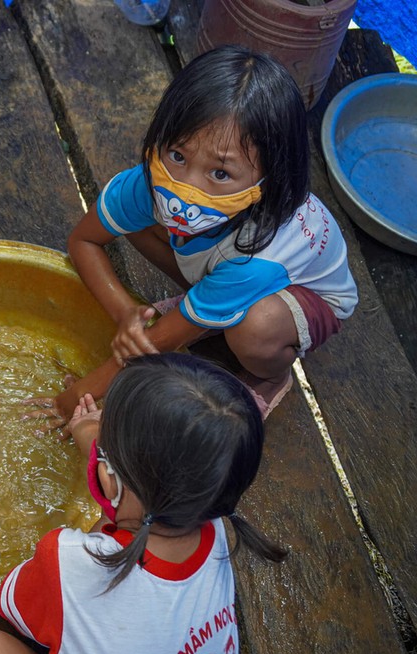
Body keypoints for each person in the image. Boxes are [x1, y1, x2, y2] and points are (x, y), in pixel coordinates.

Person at [45, 45, 357, 422]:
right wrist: (126, 312)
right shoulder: (149, 183)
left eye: (220, 174)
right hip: (225, 270)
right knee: (138, 223)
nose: (184, 189)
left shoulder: (259, 259)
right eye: (178, 155)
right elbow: (85, 240)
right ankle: (204, 308)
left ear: (267, 180)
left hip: (303, 295)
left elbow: (152, 348)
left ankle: (271, 378)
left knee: (253, 330)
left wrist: (69, 403)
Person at [0, 353, 286, 654]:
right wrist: (95, 444)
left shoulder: (68, 561)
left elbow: (16, 612)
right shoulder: (212, 523)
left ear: (107, 476)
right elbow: (138, 503)